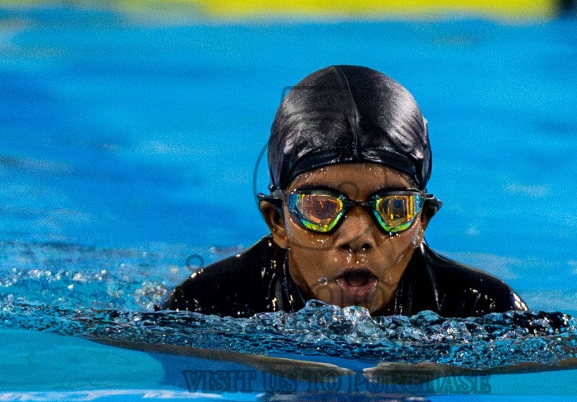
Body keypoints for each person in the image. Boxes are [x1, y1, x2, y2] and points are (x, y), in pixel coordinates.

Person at [162, 64, 526, 318]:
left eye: (393, 208)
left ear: (421, 223)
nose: (358, 236)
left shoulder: (479, 309)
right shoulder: (206, 306)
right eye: (321, 207)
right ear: (278, 222)